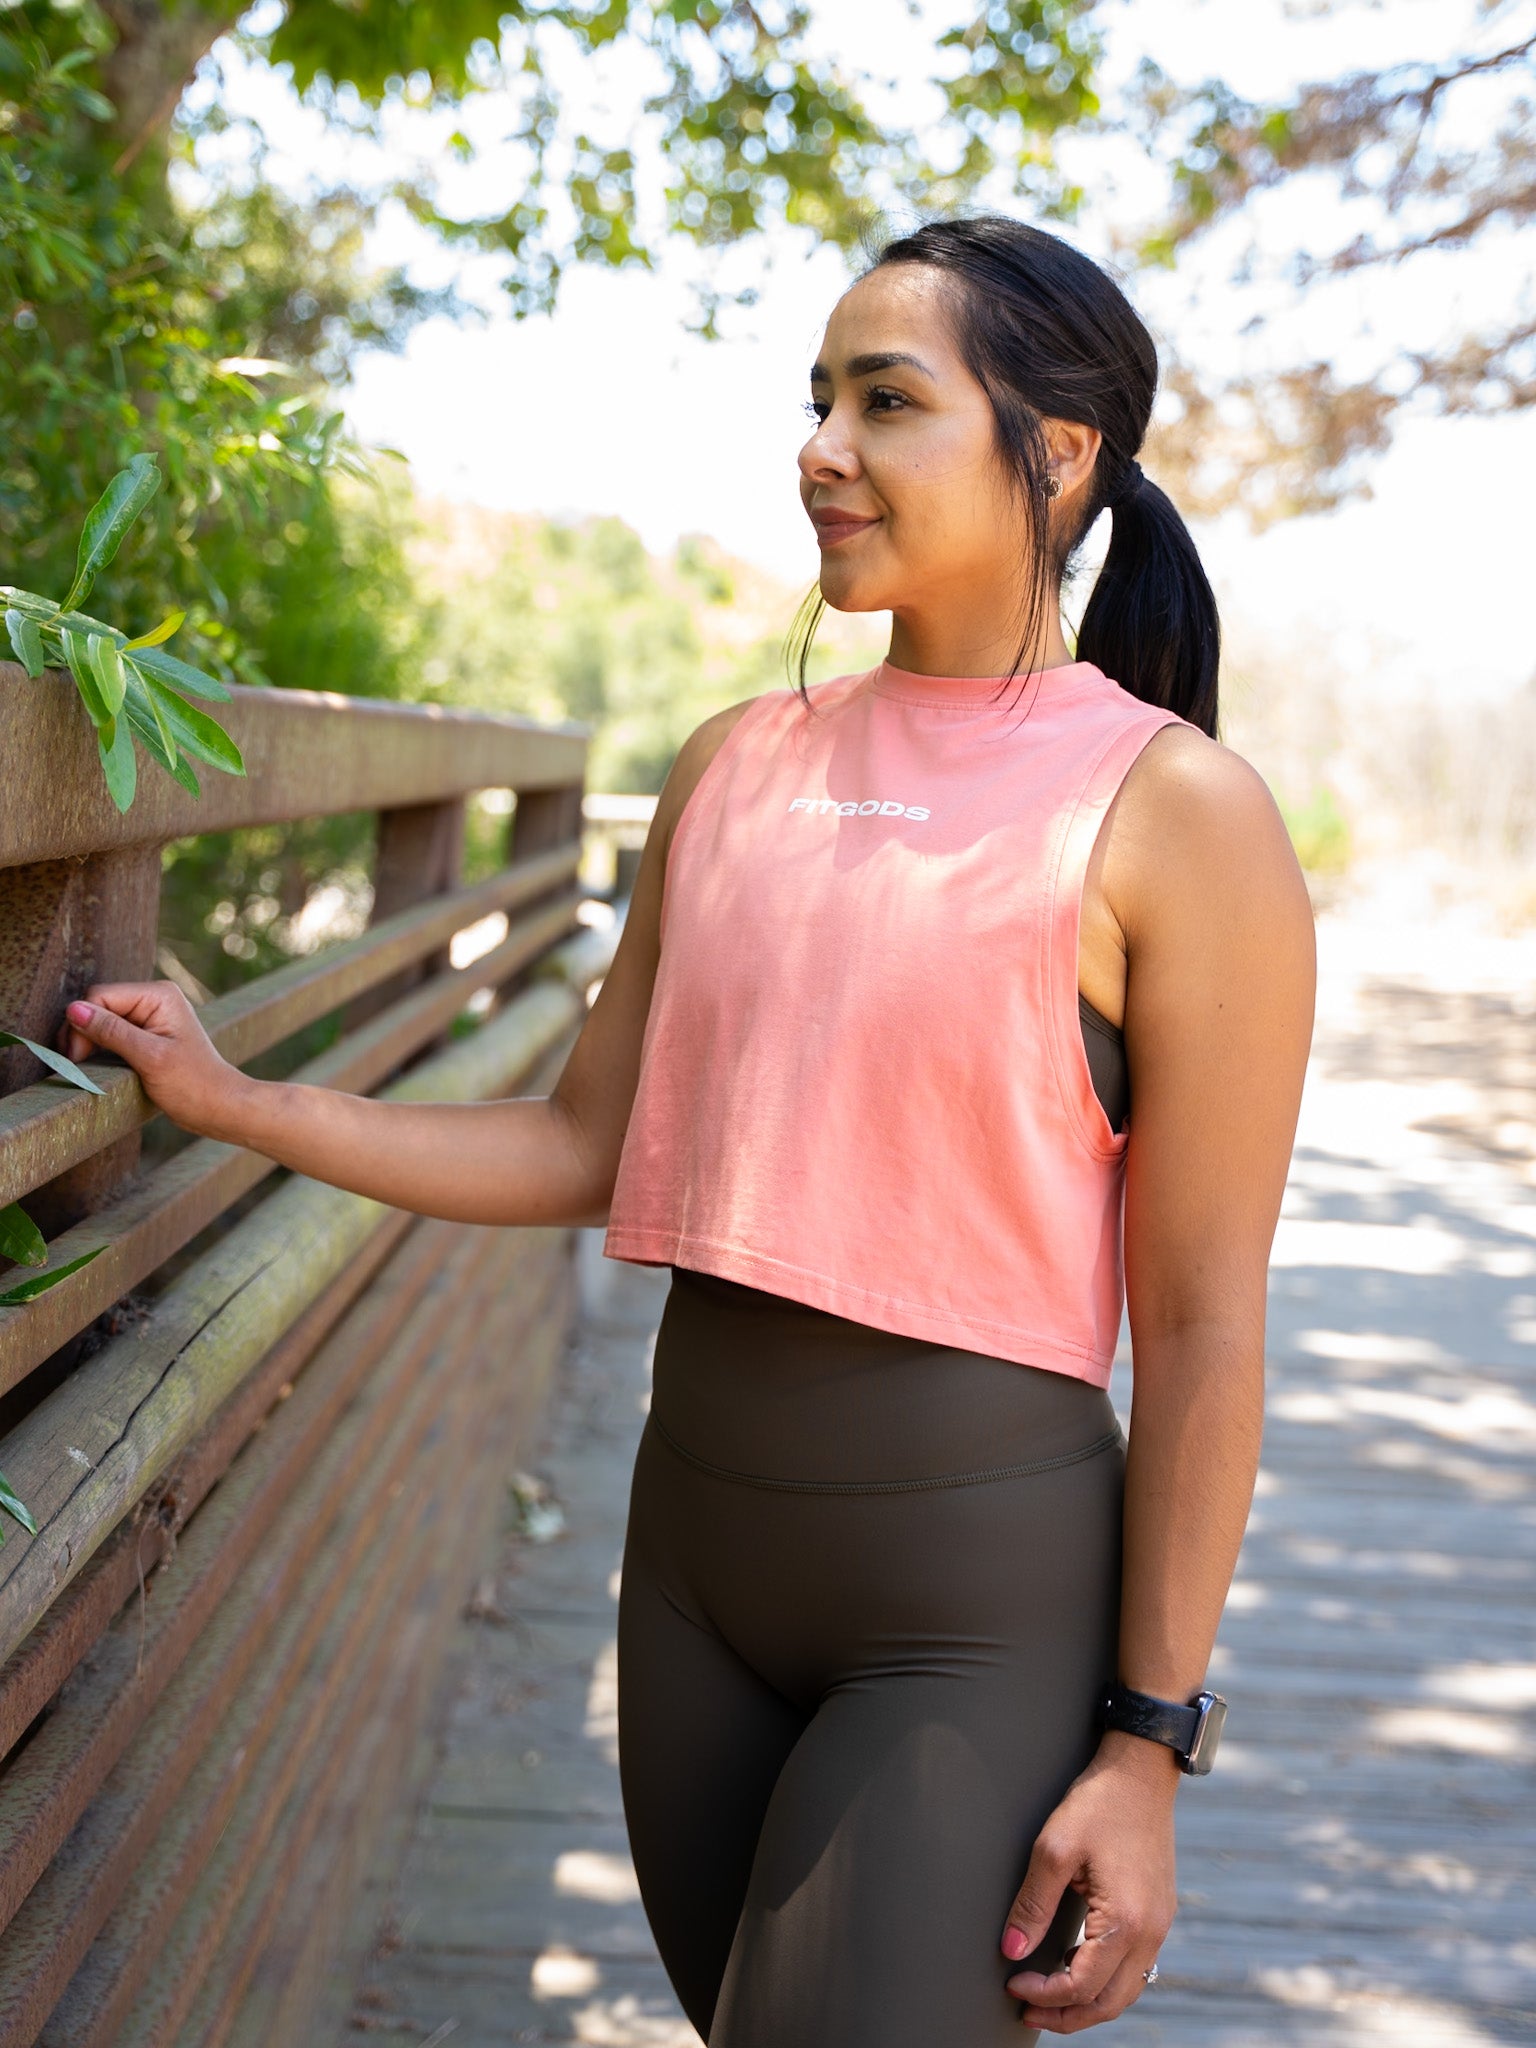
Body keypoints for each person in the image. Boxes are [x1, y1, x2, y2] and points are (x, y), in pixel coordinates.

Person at [60, 216, 1315, 2045]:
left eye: (889, 401)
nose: (822, 447)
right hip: (695, 1579)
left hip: (971, 1613)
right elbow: (584, 1147)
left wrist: (1149, 1745)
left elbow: (1203, 1326)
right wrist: (248, 1103)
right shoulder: (736, 764)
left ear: (1059, 455)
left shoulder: (1178, 811)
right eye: (817, 401)